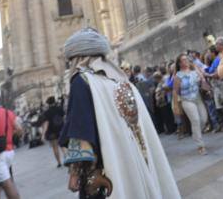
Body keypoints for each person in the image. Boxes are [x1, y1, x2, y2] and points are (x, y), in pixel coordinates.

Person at [59, 27, 180, 198]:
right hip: (134, 161)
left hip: (104, 169)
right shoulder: (122, 82)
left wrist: (75, 172)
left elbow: (81, 130)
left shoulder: (82, 81)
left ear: (78, 57)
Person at [174, 53, 209, 155]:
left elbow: (202, 78)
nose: (186, 61)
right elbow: (176, 91)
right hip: (187, 100)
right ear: (180, 63)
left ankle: (196, 134)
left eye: (187, 59)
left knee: (204, 119)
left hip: (198, 98)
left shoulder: (194, 71)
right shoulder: (178, 76)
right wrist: (176, 105)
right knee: (195, 120)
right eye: (183, 60)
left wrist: (200, 75)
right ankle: (200, 145)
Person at [39, 96, 65, 168]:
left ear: (48, 103)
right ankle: (67, 159)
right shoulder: (59, 109)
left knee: (55, 147)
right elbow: (63, 118)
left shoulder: (47, 112)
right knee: (63, 145)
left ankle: (59, 162)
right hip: (61, 129)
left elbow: (46, 123)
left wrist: (43, 135)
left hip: (51, 132)